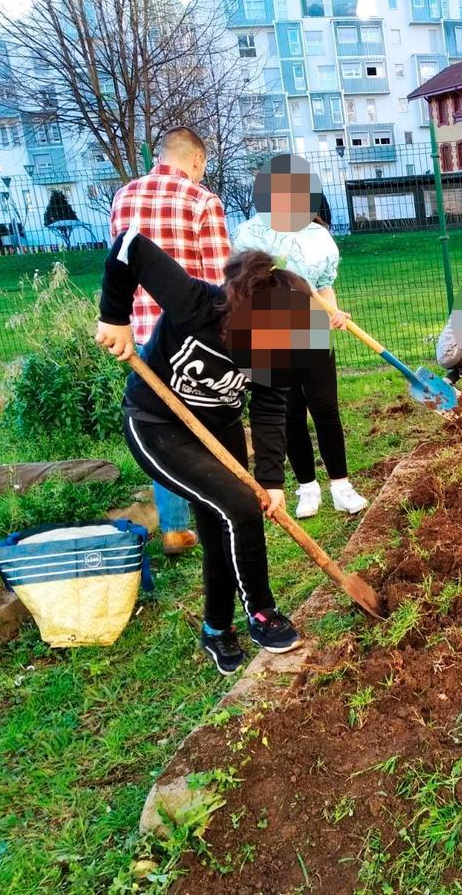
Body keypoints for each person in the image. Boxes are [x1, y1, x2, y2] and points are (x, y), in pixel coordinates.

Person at [94, 224, 308, 674]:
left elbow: (270, 407)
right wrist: (114, 316)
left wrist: (272, 481)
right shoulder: (196, 303)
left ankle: (216, 629)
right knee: (239, 507)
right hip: (157, 424)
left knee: (223, 526)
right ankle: (262, 613)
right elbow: (130, 246)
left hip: (219, 429)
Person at [109, 127, 232, 557]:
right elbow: (219, 278)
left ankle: (175, 528)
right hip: (187, 338)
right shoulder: (202, 201)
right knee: (199, 423)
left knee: (160, 425)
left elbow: (118, 262)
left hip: (141, 337)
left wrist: (117, 319)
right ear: (196, 160)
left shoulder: (123, 196)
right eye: (203, 167)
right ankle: (211, 510)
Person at [233, 161, 368, 520]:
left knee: (325, 408)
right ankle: (307, 488)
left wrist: (333, 313)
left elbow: (324, 286)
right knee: (290, 412)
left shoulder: (318, 237)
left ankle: (341, 486)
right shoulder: (248, 235)